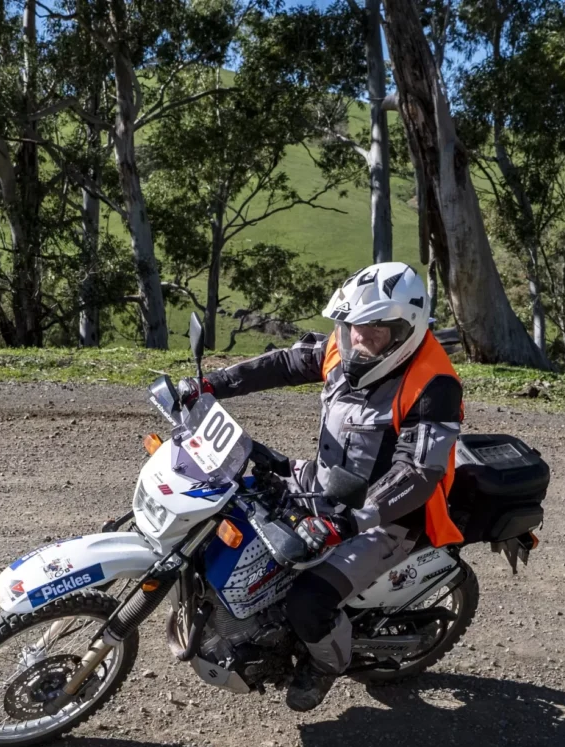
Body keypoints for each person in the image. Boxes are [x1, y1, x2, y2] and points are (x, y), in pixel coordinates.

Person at [178, 261, 465, 711]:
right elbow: (287, 362)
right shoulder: (348, 345)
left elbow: (417, 473)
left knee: (308, 602)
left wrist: (352, 521)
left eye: (373, 329)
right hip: (322, 483)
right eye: (351, 325)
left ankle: (324, 664)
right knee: (226, 499)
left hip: (386, 519)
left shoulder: (434, 384)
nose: (357, 338)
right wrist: (210, 385)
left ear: (404, 329)